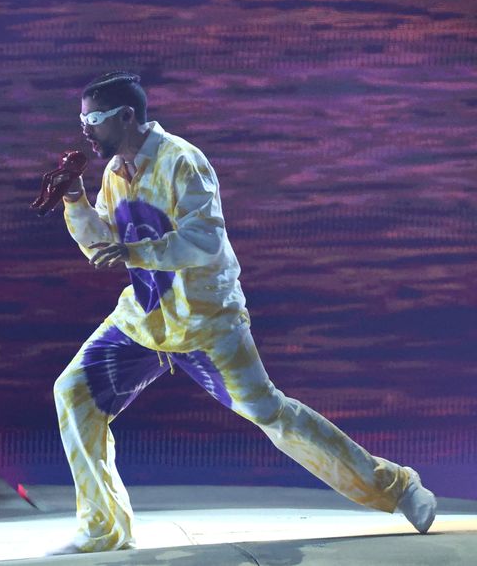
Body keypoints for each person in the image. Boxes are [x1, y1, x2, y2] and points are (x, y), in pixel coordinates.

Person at [50, 71, 437, 554]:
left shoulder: (181, 162)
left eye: (95, 119)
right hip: (145, 320)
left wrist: (135, 254)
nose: (86, 130)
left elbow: (204, 240)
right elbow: (104, 246)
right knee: (73, 394)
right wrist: (74, 200)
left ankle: (398, 487)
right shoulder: (113, 173)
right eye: (82, 119)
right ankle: (103, 529)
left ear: (127, 116)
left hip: (206, 322)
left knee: (270, 413)